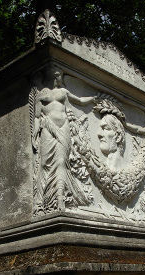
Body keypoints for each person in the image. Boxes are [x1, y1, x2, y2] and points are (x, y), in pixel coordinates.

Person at [33, 68, 97, 213]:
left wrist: (92, 99)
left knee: (62, 161)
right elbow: (37, 116)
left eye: (60, 75)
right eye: (57, 75)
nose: (59, 77)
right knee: (43, 164)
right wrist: (34, 134)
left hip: (64, 128)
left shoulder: (63, 92)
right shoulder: (41, 93)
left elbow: (79, 101)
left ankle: (60, 197)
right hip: (48, 127)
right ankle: (41, 199)